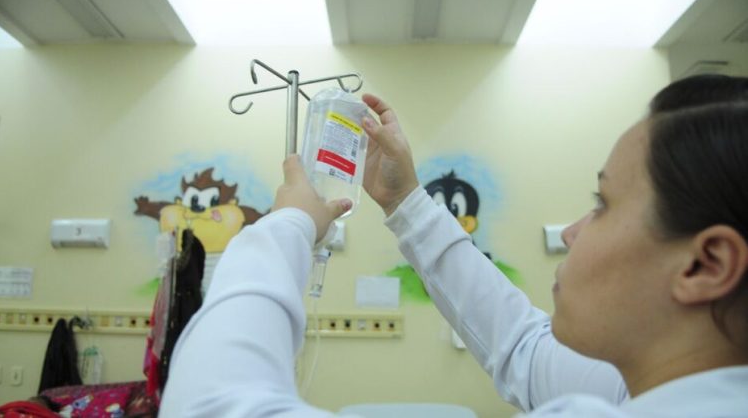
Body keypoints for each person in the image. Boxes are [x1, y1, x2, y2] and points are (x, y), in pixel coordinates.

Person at [158, 74, 748, 417]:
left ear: (705, 263)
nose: (570, 232)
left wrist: (285, 225)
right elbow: (522, 347)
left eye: (602, 204)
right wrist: (405, 201)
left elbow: (213, 405)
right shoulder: (639, 388)